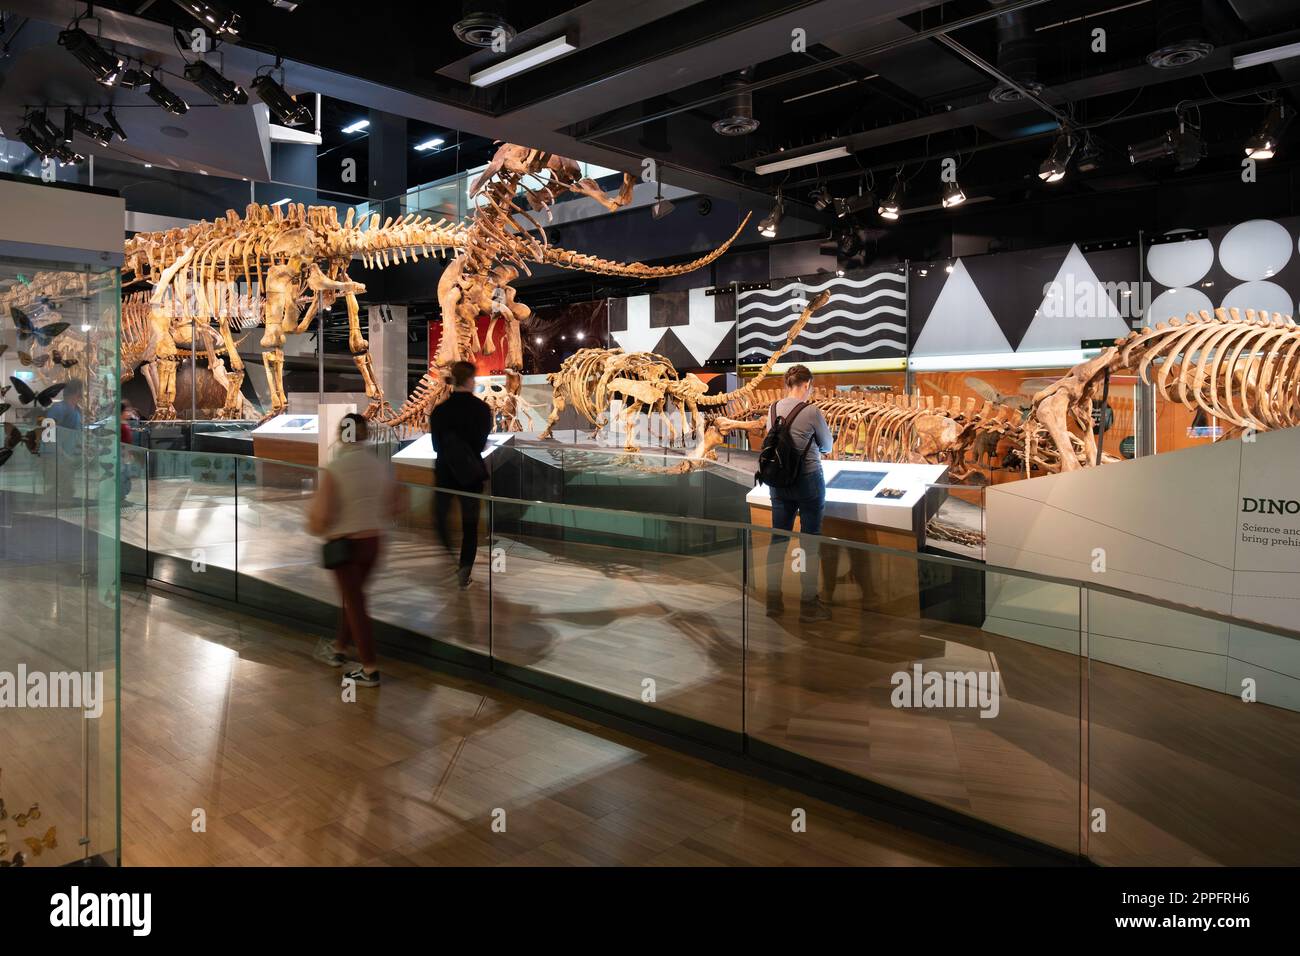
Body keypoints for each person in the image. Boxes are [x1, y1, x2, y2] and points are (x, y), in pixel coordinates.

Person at [307, 413, 403, 687]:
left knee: (356, 603)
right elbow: (394, 504)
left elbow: (321, 515)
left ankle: (370, 668)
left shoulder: (335, 469)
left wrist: (318, 528)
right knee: (353, 598)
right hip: (374, 542)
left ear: (341, 434)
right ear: (366, 434)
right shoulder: (380, 466)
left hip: (345, 545)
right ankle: (338, 650)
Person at [765, 365, 833, 623]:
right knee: (810, 541)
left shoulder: (772, 410)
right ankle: (808, 605)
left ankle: (773, 602)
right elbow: (827, 446)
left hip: (778, 483)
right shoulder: (812, 411)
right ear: (806, 385)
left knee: (778, 541)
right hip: (808, 480)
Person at [430, 361, 492, 589]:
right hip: (471, 475)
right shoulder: (482, 409)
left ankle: (449, 556)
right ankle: (464, 570)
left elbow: (436, 445)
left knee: (440, 518)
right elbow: (480, 443)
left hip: (445, 472)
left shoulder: (439, 411)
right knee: (470, 526)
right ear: (469, 380)